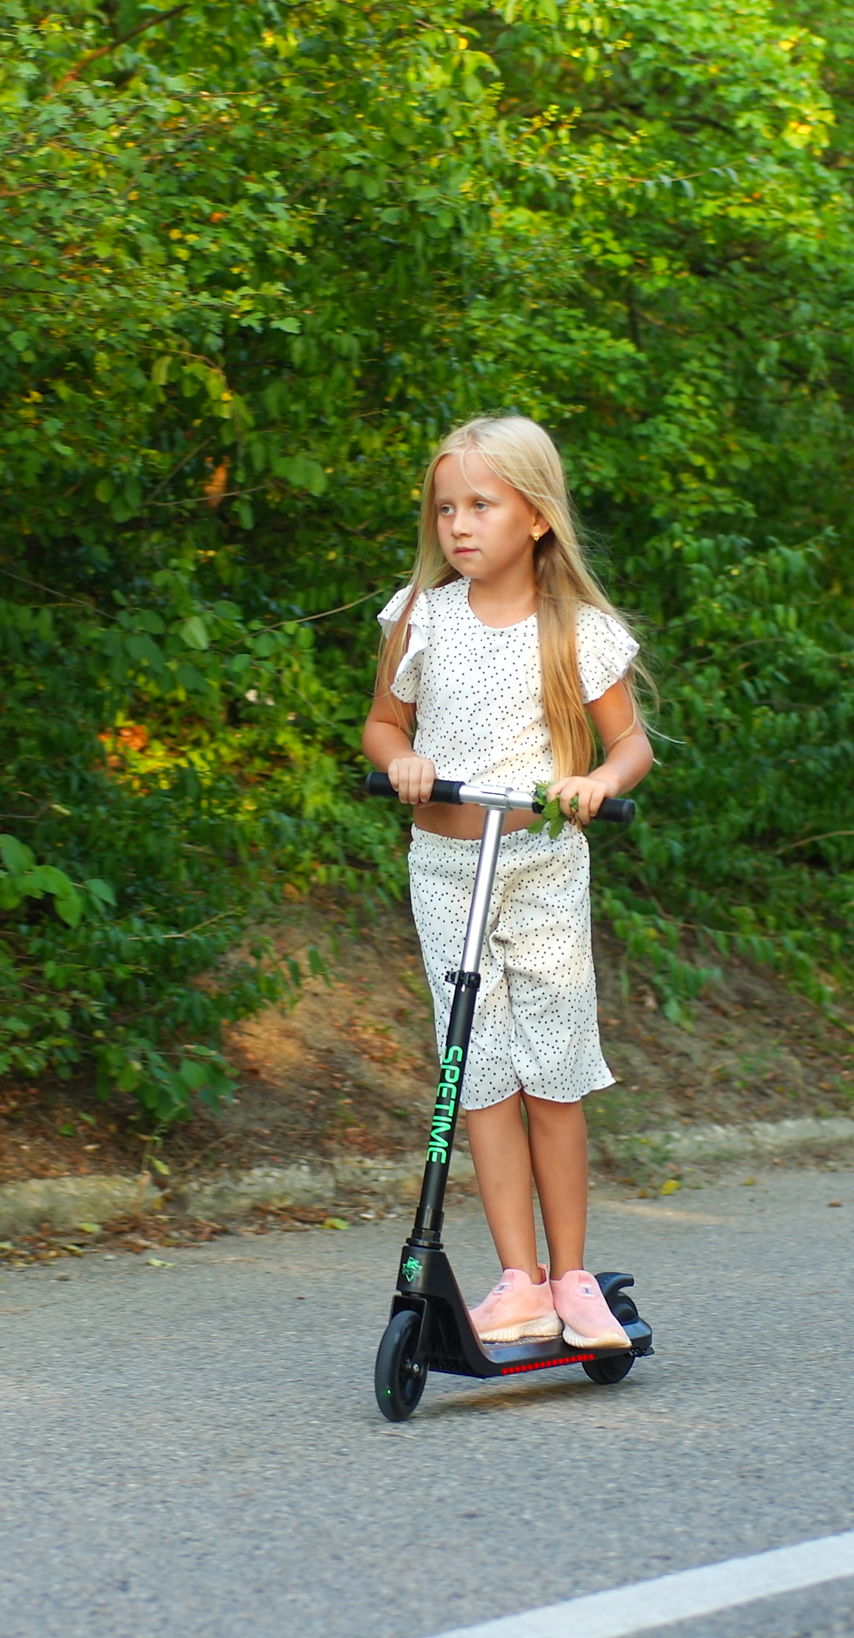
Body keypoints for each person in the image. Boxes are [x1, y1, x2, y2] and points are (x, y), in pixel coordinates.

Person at [361, 413, 655, 1351]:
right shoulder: (419, 615)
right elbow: (380, 726)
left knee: (552, 1071)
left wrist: (597, 784)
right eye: (446, 507)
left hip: (539, 868)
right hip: (446, 867)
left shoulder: (574, 631)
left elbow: (629, 745)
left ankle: (572, 1278)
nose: (459, 523)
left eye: (481, 505)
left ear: (534, 516)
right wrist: (402, 758)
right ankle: (518, 1279)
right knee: (476, 1069)